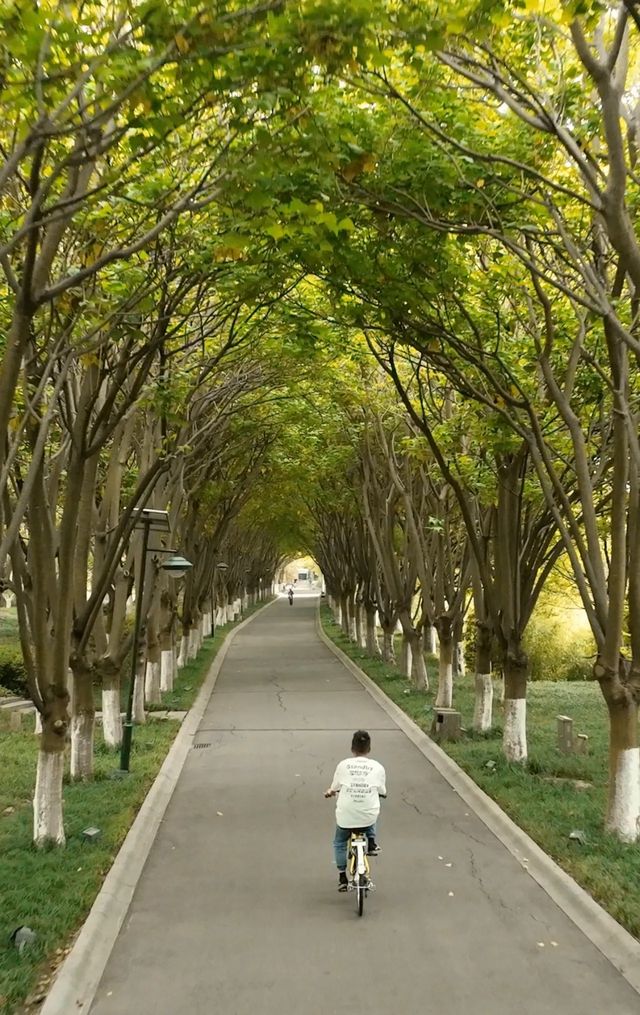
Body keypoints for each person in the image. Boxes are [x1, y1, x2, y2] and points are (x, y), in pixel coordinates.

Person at [324, 730, 386, 891]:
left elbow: (335, 786)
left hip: (346, 817)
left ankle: (342, 876)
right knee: (372, 809)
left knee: (339, 843)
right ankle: (371, 842)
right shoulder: (377, 767)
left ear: (352, 748)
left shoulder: (343, 765)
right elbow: (382, 790)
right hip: (368, 817)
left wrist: (330, 791)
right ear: (369, 748)